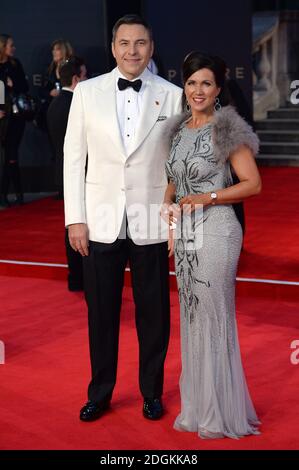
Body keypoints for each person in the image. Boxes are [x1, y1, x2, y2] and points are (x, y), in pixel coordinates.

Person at [63, 14, 182, 422]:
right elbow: (73, 158)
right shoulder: (87, 92)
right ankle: (100, 392)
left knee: (154, 314)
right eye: (125, 43)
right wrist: (74, 219)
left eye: (141, 43)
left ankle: (152, 391)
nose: (133, 51)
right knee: (101, 313)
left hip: (152, 219)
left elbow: (177, 165)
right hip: (99, 219)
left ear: (151, 47)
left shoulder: (173, 95)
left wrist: (176, 223)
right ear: (113, 48)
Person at [163, 51, 262, 439]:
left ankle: (220, 412)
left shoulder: (226, 128)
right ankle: (200, 406)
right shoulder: (177, 128)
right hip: (186, 234)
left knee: (213, 317)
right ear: (184, 87)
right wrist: (167, 204)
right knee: (191, 317)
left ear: (218, 88)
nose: (197, 90)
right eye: (191, 83)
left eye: (206, 83)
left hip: (218, 230)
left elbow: (253, 184)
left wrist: (208, 198)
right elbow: (174, 174)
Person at [47, 57, 87, 292]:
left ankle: (76, 277)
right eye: (85, 75)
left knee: (71, 224)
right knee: (76, 225)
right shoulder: (73, 105)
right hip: (76, 173)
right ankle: (79, 276)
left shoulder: (55, 103)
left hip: (62, 171)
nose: (88, 80)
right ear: (76, 79)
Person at [0, 34, 28, 207]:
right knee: (6, 157)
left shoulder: (15, 64)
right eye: (11, 45)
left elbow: (24, 87)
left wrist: (12, 84)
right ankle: (8, 194)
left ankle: (16, 194)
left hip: (16, 116)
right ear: (2, 47)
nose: (14, 48)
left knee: (12, 155)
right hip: (2, 117)